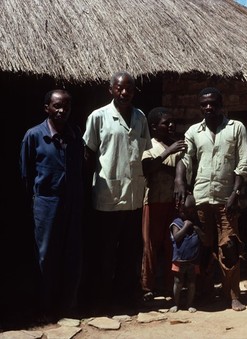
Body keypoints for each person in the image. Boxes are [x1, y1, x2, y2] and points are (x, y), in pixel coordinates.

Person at [174, 87, 247, 312]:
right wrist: (179, 180)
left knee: (229, 247)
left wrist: (235, 193)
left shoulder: (236, 128)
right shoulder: (194, 131)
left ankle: (232, 295)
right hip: (201, 198)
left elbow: (243, 164)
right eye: (204, 104)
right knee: (204, 249)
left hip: (227, 199)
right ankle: (205, 291)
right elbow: (185, 159)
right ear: (200, 107)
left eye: (213, 103)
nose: (209, 107)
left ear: (221, 104)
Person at [83, 71, 152, 311]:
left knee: (130, 249)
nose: (125, 93)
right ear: (111, 90)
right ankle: (101, 299)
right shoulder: (99, 117)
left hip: (133, 197)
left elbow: (144, 153)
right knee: (104, 251)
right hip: (107, 196)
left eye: (129, 89)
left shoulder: (140, 117)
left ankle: (125, 297)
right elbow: (88, 154)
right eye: (120, 88)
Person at [20, 89, 84, 320]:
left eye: (66, 106)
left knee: (72, 253)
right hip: (46, 203)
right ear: (46, 108)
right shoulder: (34, 136)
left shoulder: (75, 134)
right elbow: (26, 174)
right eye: (57, 106)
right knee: (46, 255)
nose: (61, 111)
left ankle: (68, 305)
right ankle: (44, 307)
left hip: (72, 202)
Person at [141, 107, 186, 301]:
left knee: (171, 244)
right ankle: (147, 286)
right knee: (150, 245)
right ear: (154, 126)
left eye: (172, 122)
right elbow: (148, 168)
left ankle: (169, 285)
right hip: (153, 201)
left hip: (172, 202)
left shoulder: (180, 146)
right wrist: (169, 151)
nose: (170, 126)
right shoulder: (149, 145)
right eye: (165, 123)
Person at [169, 195, 206, 313]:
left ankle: (190, 304)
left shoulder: (197, 223)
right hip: (179, 259)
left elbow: (205, 240)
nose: (188, 214)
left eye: (191, 211)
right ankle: (176, 304)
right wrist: (185, 226)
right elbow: (176, 237)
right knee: (178, 282)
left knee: (191, 283)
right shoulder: (177, 223)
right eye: (185, 211)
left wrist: (197, 230)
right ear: (180, 210)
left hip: (193, 260)